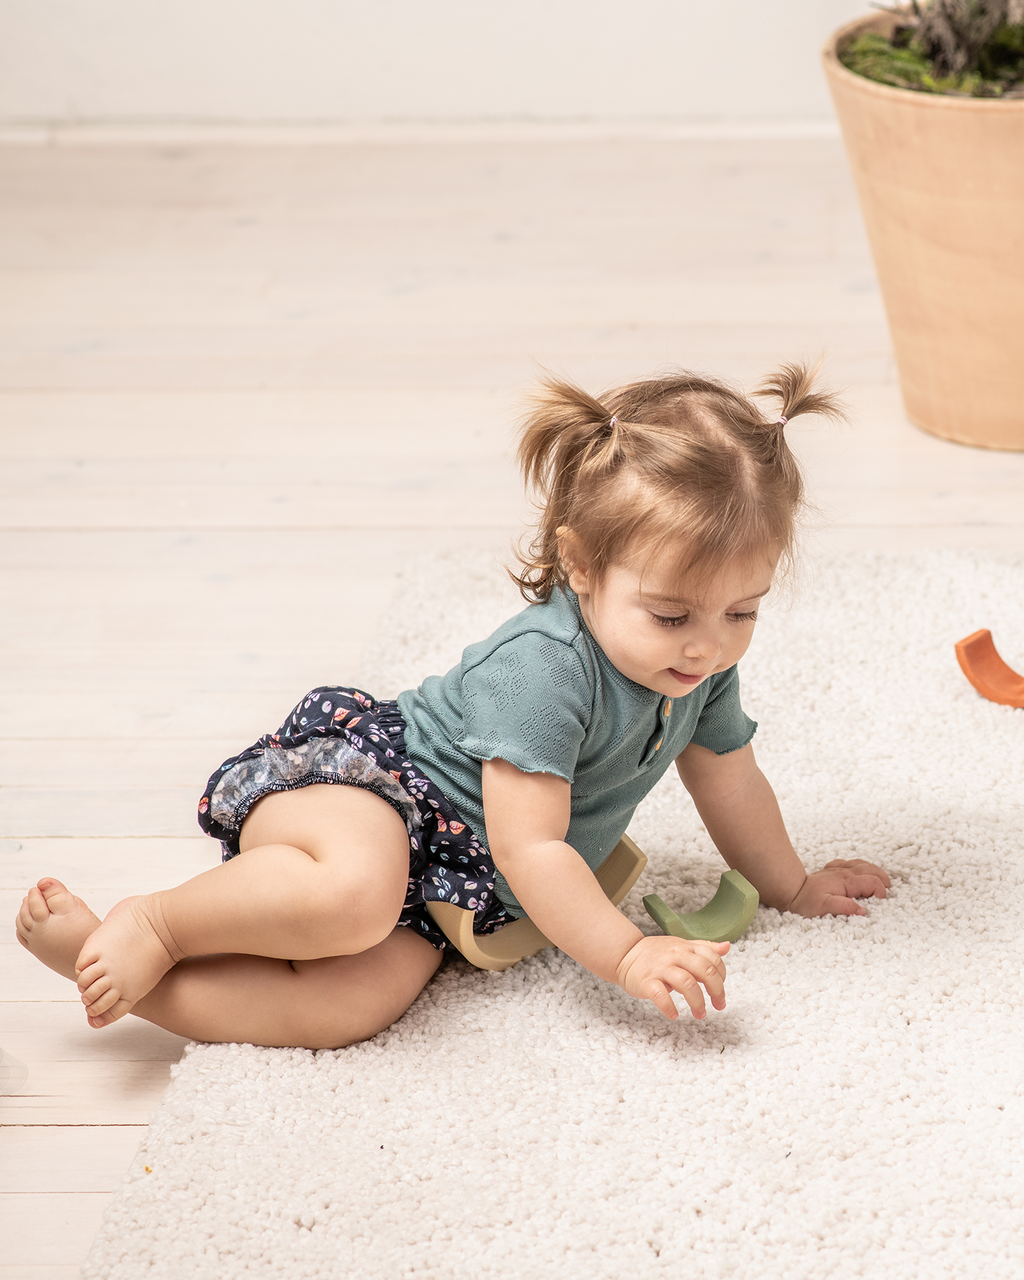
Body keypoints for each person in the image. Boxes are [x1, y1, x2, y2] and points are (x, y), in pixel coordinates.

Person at [16, 364, 891, 1050]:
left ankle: (116, 968)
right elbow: (530, 842)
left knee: (351, 1005)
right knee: (356, 895)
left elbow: (730, 779)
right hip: (378, 794)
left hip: (454, 888)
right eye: (671, 614)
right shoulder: (545, 672)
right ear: (580, 565)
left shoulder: (694, 671)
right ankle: (161, 920)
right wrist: (624, 953)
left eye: (743, 611)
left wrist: (793, 886)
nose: (707, 645)